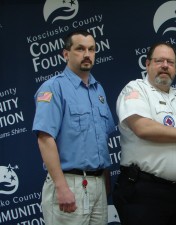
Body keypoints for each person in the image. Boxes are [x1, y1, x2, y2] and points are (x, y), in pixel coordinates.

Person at [112, 41, 176, 225]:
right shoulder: (136, 89)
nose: (165, 66)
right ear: (147, 64)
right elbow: (143, 128)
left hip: (173, 192)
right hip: (142, 192)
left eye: (170, 62)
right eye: (159, 61)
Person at [32, 30, 115, 225]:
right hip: (69, 182)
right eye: (80, 49)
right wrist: (61, 186)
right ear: (66, 54)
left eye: (92, 49)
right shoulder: (53, 88)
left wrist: (105, 179)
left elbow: (101, 138)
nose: (87, 54)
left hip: (98, 183)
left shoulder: (98, 90)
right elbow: (45, 138)